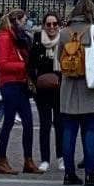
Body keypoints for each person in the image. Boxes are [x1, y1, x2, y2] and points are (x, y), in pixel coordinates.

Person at [58, 10, 94, 186]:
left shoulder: (64, 32)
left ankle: (69, 174)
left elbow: (58, 59)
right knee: (90, 131)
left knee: (68, 131)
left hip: (68, 89)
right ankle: (90, 174)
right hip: (90, 87)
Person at [0, 10, 40, 176]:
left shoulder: (18, 38)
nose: (26, 23)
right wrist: (24, 66)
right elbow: (3, 64)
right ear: (16, 21)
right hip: (9, 84)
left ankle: (28, 160)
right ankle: (1, 160)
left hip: (20, 83)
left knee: (28, 121)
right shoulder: (4, 37)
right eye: (24, 20)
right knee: (8, 122)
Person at [30, 12, 65, 171]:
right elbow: (31, 64)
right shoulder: (37, 40)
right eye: (48, 24)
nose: (52, 27)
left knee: (60, 123)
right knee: (45, 124)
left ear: (59, 25)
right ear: (44, 25)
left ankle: (61, 156)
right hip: (42, 89)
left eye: (54, 24)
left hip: (60, 88)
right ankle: (45, 159)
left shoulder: (64, 39)